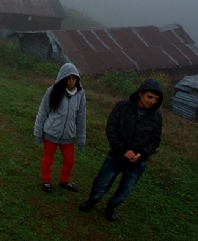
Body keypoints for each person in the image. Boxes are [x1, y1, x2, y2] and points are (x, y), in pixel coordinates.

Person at [79, 79, 163, 222]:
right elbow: (111, 129)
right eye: (150, 97)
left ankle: (111, 207)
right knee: (101, 183)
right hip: (116, 156)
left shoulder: (156, 116)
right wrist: (123, 149)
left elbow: (155, 140)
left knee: (125, 190)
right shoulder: (122, 107)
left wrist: (142, 154)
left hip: (137, 162)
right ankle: (92, 201)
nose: (152, 102)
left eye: (156, 99)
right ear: (141, 94)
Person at [34, 63, 86, 194]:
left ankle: (64, 181)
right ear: (63, 78)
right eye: (69, 77)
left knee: (70, 161)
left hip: (68, 136)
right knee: (48, 159)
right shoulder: (52, 91)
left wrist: (81, 139)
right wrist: (38, 132)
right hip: (51, 133)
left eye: (74, 78)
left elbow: (81, 118)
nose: (71, 81)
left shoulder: (80, 94)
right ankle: (46, 181)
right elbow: (42, 112)